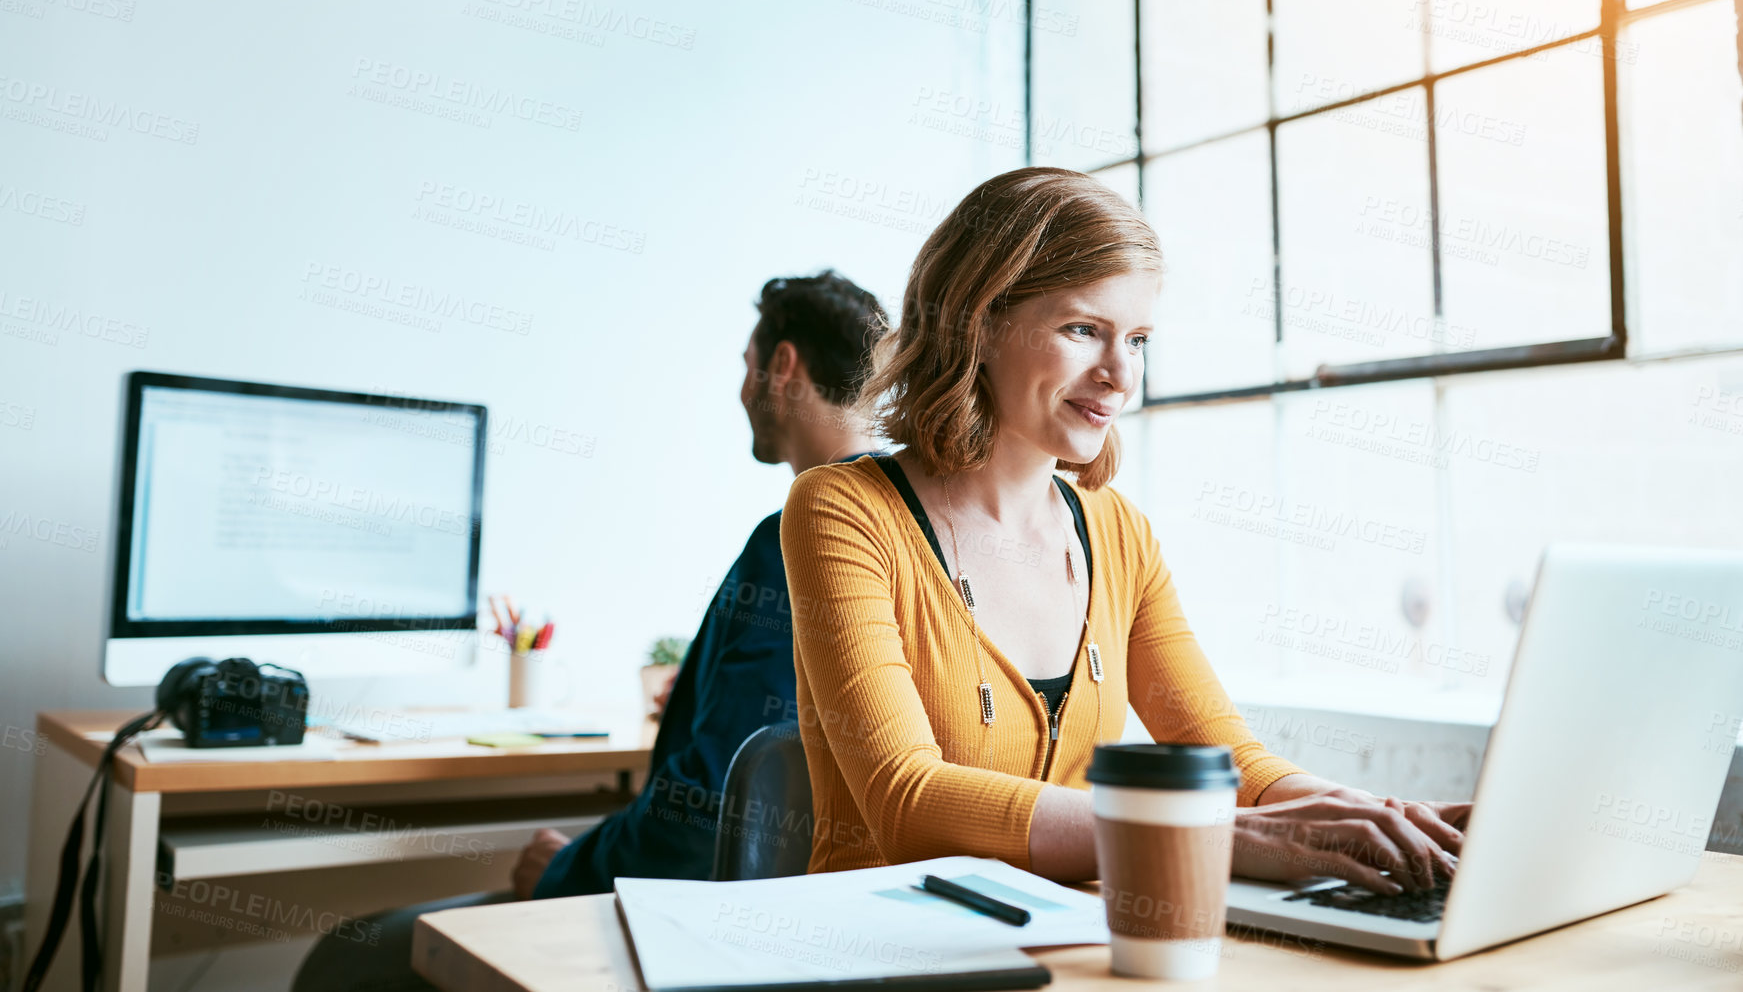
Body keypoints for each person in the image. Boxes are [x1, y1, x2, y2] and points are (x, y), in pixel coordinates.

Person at [781, 168, 1469, 895]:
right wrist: (1215, 837)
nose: (1120, 374)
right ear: (977, 325)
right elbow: (905, 801)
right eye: (1083, 330)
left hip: (1067, 947)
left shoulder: (1117, 532)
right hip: (886, 951)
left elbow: (1225, 758)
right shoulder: (842, 510)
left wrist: (1390, 819)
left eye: (1136, 340)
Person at [292, 270, 888, 992]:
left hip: (707, 927)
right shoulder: (900, 531)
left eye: (746, 367)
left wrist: (566, 867)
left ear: (783, 366)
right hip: (823, 921)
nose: (741, 391)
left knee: (344, 963)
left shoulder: (797, 535)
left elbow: (711, 806)